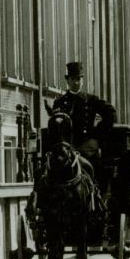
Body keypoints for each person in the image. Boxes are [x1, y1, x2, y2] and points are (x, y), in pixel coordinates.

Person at [51, 61, 116, 195]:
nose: (76, 82)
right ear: (67, 80)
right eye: (73, 79)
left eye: (79, 79)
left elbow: (111, 113)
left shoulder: (90, 100)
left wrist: (96, 136)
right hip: (66, 147)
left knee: (96, 170)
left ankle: (97, 196)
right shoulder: (59, 102)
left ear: (82, 81)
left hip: (87, 147)